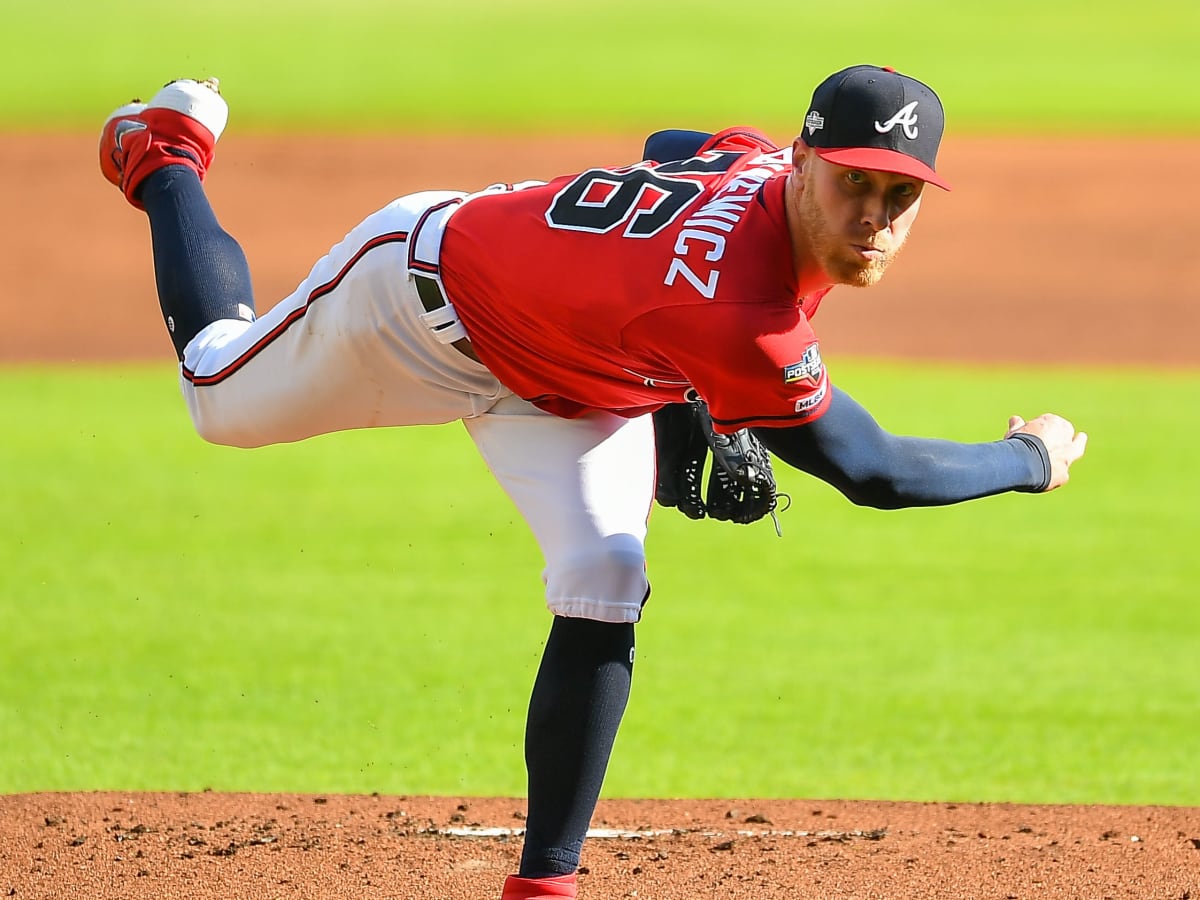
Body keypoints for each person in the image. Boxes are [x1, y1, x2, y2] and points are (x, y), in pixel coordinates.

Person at [98, 65, 1087, 900]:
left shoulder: (750, 163)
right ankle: (167, 155)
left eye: (900, 195)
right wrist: (1028, 459)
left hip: (579, 384)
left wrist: (676, 395)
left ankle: (543, 886)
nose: (873, 215)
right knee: (215, 396)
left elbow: (675, 141)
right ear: (800, 162)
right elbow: (871, 470)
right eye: (852, 184)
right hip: (411, 302)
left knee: (605, 576)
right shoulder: (744, 310)